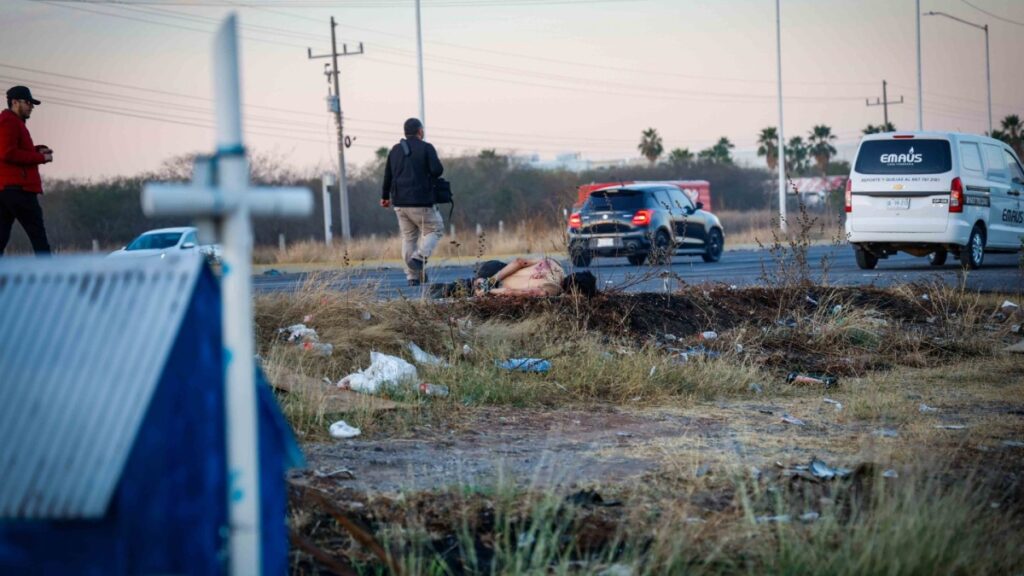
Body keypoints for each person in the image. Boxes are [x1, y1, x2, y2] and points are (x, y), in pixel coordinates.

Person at [381, 117, 444, 286]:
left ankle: (412, 277)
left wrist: (385, 197)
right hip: (421, 201)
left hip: (400, 202)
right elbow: (437, 170)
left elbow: (388, 174)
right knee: (435, 229)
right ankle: (420, 257)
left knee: (409, 238)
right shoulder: (426, 148)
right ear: (420, 131)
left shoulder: (395, 150)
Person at [0, 86, 53, 256]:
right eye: (28, 102)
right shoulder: (9, 122)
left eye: (32, 104)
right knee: (38, 237)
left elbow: (13, 150)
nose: (31, 106)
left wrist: (36, 151)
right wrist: (40, 158)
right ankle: (50, 276)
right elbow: (7, 153)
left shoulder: (14, 122)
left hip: (8, 189)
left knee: (1, 236)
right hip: (19, 189)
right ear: (14, 102)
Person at [430, 257, 598, 299]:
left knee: (468, 284)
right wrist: (491, 289)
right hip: (499, 282)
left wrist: (491, 279)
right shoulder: (552, 290)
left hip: (495, 267)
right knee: (472, 290)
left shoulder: (553, 263)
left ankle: (438, 288)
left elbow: (520, 261)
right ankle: (439, 292)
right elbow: (514, 292)